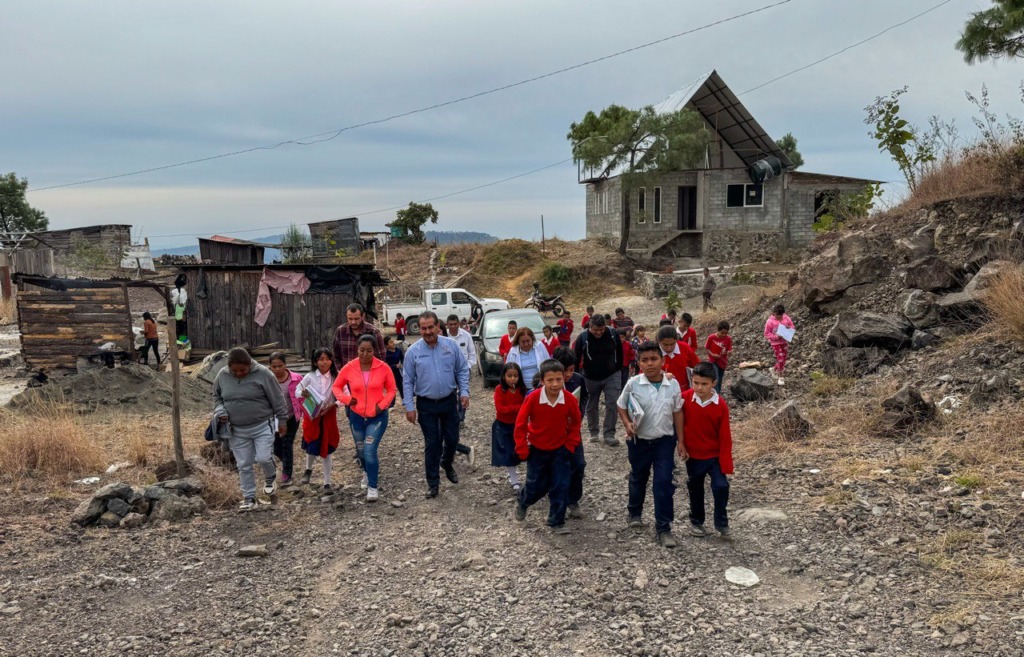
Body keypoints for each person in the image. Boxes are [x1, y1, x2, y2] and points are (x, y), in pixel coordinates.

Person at [616, 342, 684, 548]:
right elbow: (621, 405)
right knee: (639, 476)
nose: (650, 363)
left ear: (662, 361)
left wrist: (681, 441)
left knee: (663, 482)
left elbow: (677, 412)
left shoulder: (673, 384)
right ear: (638, 363)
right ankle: (634, 513)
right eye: (644, 360)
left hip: (665, 442)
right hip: (639, 442)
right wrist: (627, 423)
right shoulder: (633, 383)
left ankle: (663, 528)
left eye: (654, 359)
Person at [403, 311, 471, 498]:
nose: (427, 331)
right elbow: (407, 381)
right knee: (432, 443)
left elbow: (462, 370)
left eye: (430, 327)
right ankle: (433, 483)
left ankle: (446, 462)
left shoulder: (451, 346)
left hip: (449, 401)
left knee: (452, 439)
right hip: (426, 405)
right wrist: (409, 406)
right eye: (423, 328)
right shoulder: (413, 352)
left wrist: (464, 392)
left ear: (438, 327)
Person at [213, 348, 289, 511]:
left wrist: (282, 420)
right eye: (235, 371)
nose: (239, 373)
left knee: (263, 458)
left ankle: (270, 475)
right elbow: (217, 397)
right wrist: (220, 410)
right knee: (243, 464)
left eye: (243, 370)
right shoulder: (222, 375)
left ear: (250, 365)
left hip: (262, 424)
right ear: (229, 367)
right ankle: (249, 498)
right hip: (236, 429)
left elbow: (277, 398)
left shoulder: (263, 374)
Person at [513, 360, 582, 534]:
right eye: (550, 380)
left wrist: (570, 445)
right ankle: (523, 501)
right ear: (542, 381)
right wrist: (522, 447)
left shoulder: (569, 399)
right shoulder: (533, 398)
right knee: (535, 486)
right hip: (537, 449)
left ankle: (556, 521)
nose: (555, 384)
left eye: (559, 379)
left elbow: (576, 422)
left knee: (561, 485)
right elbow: (520, 423)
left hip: (560, 450)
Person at [334, 335, 397, 502]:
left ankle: (372, 487)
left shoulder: (383, 367)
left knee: (369, 451)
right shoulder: (350, 367)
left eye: (369, 351)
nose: (365, 354)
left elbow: (392, 389)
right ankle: (366, 472)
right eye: (362, 350)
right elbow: (336, 387)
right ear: (357, 349)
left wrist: (381, 405)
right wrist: (346, 399)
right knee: (360, 449)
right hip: (356, 416)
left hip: (377, 417)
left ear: (374, 350)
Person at [682, 362, 734, 538]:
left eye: (704, 384)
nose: (699, 387)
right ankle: (697, 522)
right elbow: (675, 418)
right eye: (696, 383)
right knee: (695, 488)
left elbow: (725, 436)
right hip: (693, 456)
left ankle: (721, 523)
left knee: (721, 486)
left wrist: (726, 463)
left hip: (714, 456)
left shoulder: (720, 405)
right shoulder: (685, 399)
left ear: (713, 383)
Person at [574, 315, 623, 446]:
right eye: (595, 330)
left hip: (611, 374)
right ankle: (593, 432)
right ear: (590, 327)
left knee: (612, 403)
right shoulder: (583, 338)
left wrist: (619, 370)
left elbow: (620, 351)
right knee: (591, 405)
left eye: (601, 329)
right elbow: (576, 357)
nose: (598, 333)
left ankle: (609, 434)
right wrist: (576, 377)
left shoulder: (612, 334)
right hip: (590, 377)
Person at [296, 348, 340, 493]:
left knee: (327, 448)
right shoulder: (310, 376)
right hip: (312, 415)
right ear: (315, 362)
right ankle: (308, 469)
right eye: (321, 359)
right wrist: (302, 393)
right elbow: (297, 390)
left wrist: (335, 404)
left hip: (328, 415)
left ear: (332, 361)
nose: (324, 362)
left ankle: (327, 482)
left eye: (327, 359)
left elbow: (344, 395)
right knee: (311, 443)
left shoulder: (336, 376)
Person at [553, 346, 586, 519]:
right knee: (556, 466)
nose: (567, 375)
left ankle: (573, 499)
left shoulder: (578, 380)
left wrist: (579, 413)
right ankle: (558, 501)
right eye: (564, 371)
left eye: (571, 370)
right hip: (553, 432)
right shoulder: (548, 382)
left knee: (578, 464)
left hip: (573, 431)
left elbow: (584, 398)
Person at [268, 352, 304, 486]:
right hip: (274, 418)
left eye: (280, 366)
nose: (278, 369)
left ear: (285, 364)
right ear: (270, 367)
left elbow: (304, 395)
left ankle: (287, 474)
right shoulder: (267, 380)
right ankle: (287, 461)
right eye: (274, 367)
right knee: (275, 445)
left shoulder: (296, 379)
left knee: (287, 444)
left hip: (292, 416)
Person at [492, 362, 527, 492]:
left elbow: (526, 406)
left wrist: (517, 409)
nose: (512, 379)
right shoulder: (499, 390)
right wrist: (519, 408)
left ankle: (519, 475)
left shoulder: (522, 390)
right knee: (508, 453)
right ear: (504, 376)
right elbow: (500, 409)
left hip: (519, 425)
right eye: (509, 376)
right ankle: (514, 478)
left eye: (515, 376)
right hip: (503, 426)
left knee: (520, 450)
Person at [332, 303, 386, 368]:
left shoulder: (373, 332)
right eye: (350, 319)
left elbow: (381, 357)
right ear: (346, 317)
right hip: (347, 372)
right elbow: (335, 355)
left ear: (363, 316)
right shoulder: (340, 331)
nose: (353, 322)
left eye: (356, 319)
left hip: (367, 372)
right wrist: (340, 371)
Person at [658, 325, 700, 393]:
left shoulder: (684, 348)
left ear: (676, 340)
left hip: (684, 391)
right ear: (659, 342)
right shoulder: (653, 352)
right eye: (665, 345)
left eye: (672, 344)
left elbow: (698, 366)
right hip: (661, 392)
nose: (669, 347)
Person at [764, 304, 795, 386]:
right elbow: (766, 333)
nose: (779, 317)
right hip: (775, 343)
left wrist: (789, 328)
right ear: (774, 313)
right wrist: (775, 337)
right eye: (777, 315)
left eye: (781, 315)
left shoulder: (786, 318)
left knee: (784, 359)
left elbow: (792, 326)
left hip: (784, 341)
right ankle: (780, 376)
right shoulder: (769, 321)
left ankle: (774, 369)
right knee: (780, 358)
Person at [705, 321, 733, 395]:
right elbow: (707, 348)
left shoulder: (728, 339)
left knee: (720, 378)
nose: (724, 335)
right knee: (716, 378)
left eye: (726, 333)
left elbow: (729, 349)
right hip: (713, 361)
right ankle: (715, 394)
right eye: (722, 333)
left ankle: (718, 393)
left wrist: (729, 352)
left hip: (722, 361)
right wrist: (712, 355)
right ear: (718, 330)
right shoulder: (711, 337)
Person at [384, 336, 404, 401]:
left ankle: (404, 399)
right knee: (392, 388)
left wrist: (402, 364)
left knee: (401, 386)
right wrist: (395, 366)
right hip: (391, 374)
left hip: (399, 372)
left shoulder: (398, 350)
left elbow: (402, 358)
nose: (393, 343)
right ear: (386, 346)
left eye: (393, 341)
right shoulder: (386, 354)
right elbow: (386, 367)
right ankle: (392, 403)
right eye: (391, 342)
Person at [170, 274, 188, 339]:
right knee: (183, 330)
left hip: (178, 312)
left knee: (180, 329)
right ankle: (183, 341)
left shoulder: (175, 292)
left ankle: (181, 341)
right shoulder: (183, 291)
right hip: (181, 312)